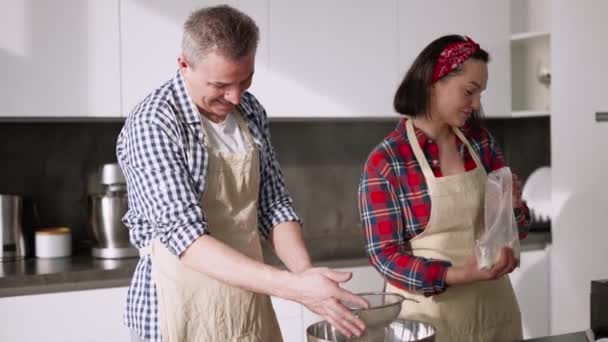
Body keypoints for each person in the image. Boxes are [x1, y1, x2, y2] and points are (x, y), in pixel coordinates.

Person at [117, 5, 367, 342]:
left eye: (244, 80)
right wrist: (293, 287)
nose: (234, 96)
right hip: (179, 305)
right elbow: (185, 238)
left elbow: (274, 204)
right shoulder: (154, 123)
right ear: (183, 64)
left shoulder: (249, 110)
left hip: (247, 299)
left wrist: (305, 275)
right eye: (220, 84)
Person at [358, 35, 531, 341]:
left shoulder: (481, 143)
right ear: (433, 83)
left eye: (480, 93)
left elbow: (513, 230)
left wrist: (513, 208)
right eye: (469, 91)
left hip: (495, 312)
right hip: (426, 322)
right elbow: (385, 256)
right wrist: (459, 275)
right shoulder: (387, 161)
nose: (476, 104)